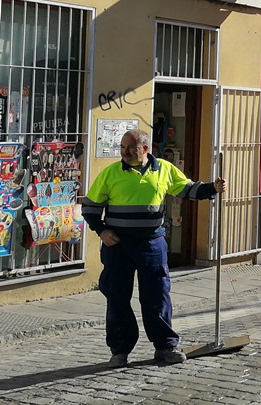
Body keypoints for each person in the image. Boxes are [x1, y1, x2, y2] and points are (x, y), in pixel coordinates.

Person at [81, 130, 226, 368]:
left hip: (152, 243)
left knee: (157, 295)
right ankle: (120, 350)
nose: (125, 152)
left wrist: (212, 189)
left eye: (131, 148)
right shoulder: (111, 173)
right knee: (117, 297)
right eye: (123, 147)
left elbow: (187, 189)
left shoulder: (164, 170)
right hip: (118, 244)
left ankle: (165, 346)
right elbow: (90, 206)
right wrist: (102, 230)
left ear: (146, 149)